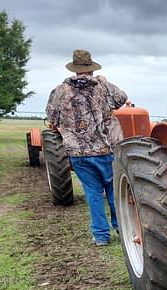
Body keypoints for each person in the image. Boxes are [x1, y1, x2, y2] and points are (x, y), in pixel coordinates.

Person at [46, 49, 128, 246]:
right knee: (112, 190)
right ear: (91, 69)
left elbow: (52, 118)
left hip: (78, 153)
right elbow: (122, 98)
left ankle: (101, 237)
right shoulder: (102, 86)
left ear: (74, 70)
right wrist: (104, 81)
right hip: (105, 150)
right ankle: (122, 228)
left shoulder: (60, 91)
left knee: (92, 193)